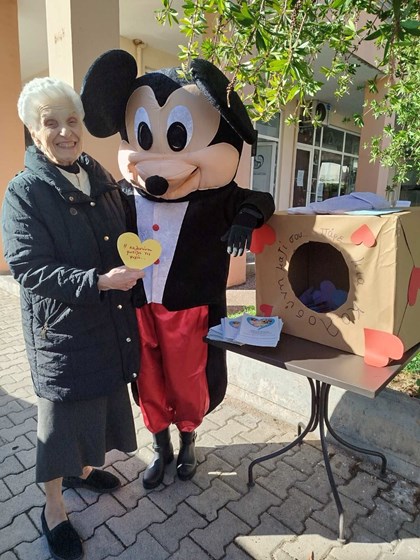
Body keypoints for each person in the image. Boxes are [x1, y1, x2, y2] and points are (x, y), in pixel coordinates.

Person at [1, 77, 144, 560]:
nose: (65, 132)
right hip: (61, 331)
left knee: (99, 406)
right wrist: (99, 281)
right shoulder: (24, 191)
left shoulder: (97, 177)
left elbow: (124, 233)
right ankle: (53, 509)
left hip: (107, 322)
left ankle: (81, 474)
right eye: (51, 123)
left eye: (72, 120)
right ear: (33, 131)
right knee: (61, 425)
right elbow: (29, 268)